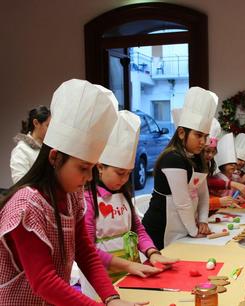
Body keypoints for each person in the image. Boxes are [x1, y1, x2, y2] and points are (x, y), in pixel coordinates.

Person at [0, 79, 147, 305]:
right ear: (54, 157)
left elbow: (85, 253)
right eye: (83, 168)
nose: (89, 178)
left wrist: (112, 298)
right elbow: (44, 281)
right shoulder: (26, 207)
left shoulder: (72, 197)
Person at [82, 110, 177, 298]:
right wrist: (127, 265)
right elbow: (88, 250)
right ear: (100, 167)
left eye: (128, 173)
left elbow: (138, 230)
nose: (125, 179)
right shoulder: (88, 199)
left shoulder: (123, 195)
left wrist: (152, 253)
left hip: (129, 274)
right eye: (119, 173)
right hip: (101, 281)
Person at [142, 87, 217, 250]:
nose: (203, 141)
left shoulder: (198, 159)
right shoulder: (172, 158)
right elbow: (182, 202)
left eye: (205, 136)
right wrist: (194, 230)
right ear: (182, 133)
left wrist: (203, 220)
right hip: (161, 228)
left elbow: (204, 194)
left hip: (184, 227)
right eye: (198, 135)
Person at [10, 105, 51, 183]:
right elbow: (19, 182)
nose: (51, 130)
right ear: (36, 123)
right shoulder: (21, 150)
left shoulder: (49, 148)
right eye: (48, 126)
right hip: (33, 194)